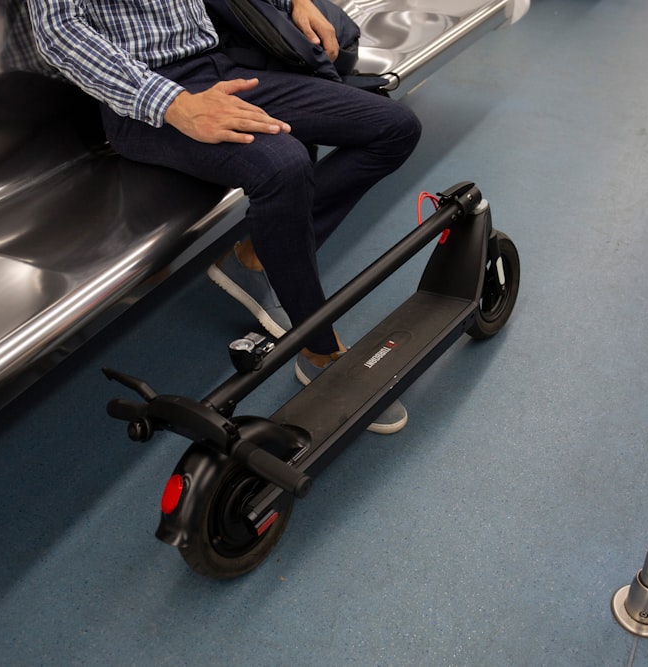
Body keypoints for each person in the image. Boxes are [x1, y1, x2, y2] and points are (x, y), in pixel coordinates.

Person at [28, 0, 422, 433]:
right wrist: (175, 105)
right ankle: (318, 351)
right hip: (145, 100)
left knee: (395, 126)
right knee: (283, 165)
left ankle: (255, 257)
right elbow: (59, 32)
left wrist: (295, 2)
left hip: (220, 65)